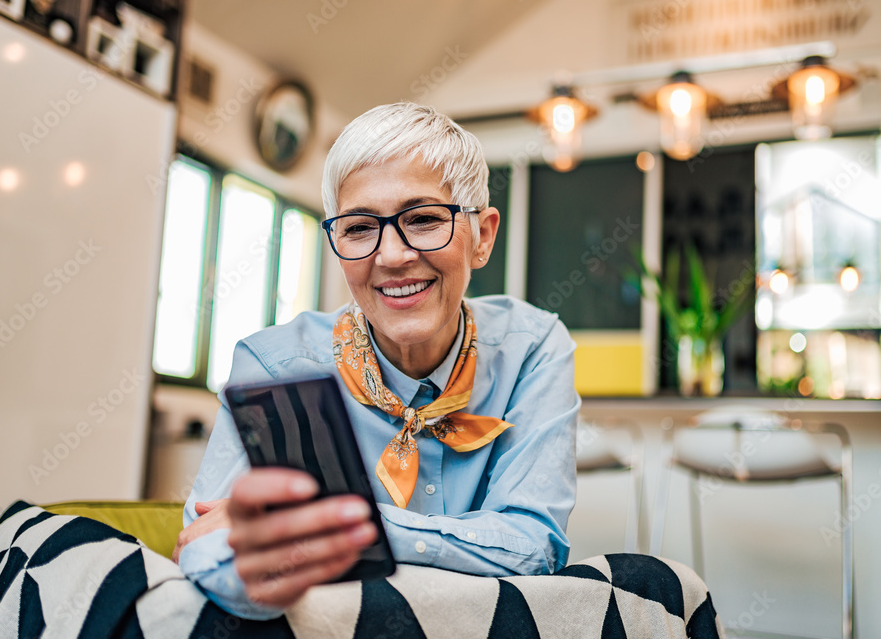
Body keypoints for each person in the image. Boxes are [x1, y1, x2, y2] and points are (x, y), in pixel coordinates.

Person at [173, 102, 580, 620]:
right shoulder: (276, 366)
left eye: (423, 219)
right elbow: (208, 547)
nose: (391, 255)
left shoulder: (532, 348)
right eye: (360, 228)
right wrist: (261, 548)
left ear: (482, 236)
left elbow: (533, 546)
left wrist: (336, 526)